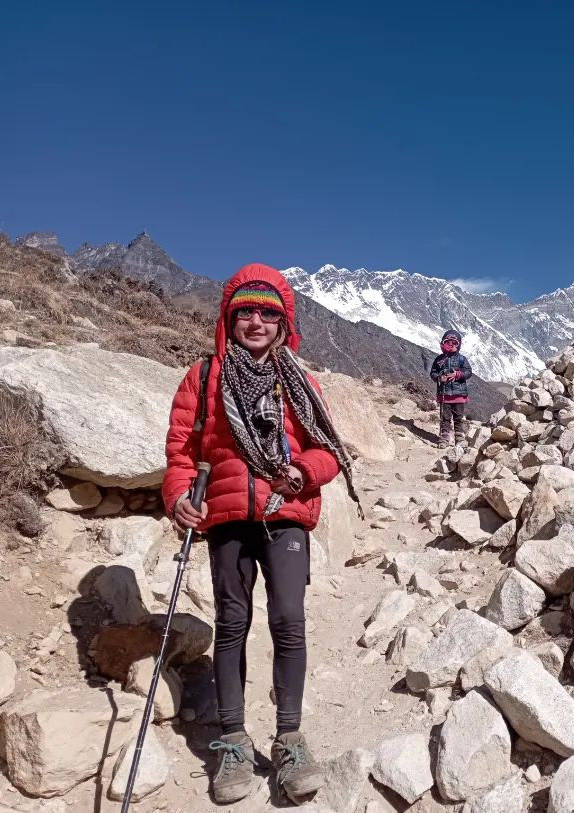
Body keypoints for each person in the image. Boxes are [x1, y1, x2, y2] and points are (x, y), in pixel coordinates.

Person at [162, 264, 362, 805]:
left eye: (267, 313)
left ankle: (290, 737)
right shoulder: (203, 378)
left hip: (286, 513)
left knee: (289, 619)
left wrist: (304, 474)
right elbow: (182, 452)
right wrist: (178, 497)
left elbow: (327, 450)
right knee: (232, 620)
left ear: (283, 323)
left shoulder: (298, 382)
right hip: (224, 516)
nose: (255, 321)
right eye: (245, 311)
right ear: (229, 317)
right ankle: (232, 741)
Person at [429, 329, 472, 448]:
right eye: (448, 342)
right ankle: (444, 438)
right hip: (445, 394)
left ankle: (459, 438)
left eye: (454, 343)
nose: (451, 345)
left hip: (459, 395)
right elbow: (433, 373)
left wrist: (457, 374)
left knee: (458, 417)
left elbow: (468, 372)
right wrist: (439, 378)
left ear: (459, 345)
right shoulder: (439, 360)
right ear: (443, 343)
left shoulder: (462, 359)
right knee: (445, 417)